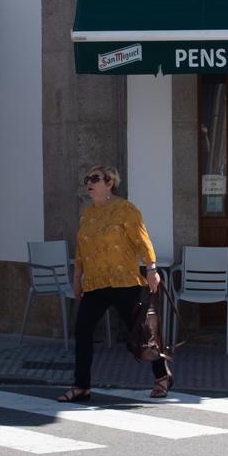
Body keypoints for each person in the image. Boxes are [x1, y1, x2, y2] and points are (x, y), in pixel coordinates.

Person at [60, 165, 170, 403]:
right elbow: (81, 249)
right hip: (95, 283)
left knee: (141, 332)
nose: (89, 182)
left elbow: (142, 240)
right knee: (83, 331)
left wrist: (151, 269)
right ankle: (82, 386)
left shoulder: (125, 209)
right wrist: (77, 277)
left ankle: (162, 376)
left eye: (95, 178)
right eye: (87, 178)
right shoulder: (87, 214)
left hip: (123, 281)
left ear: (110, 183)